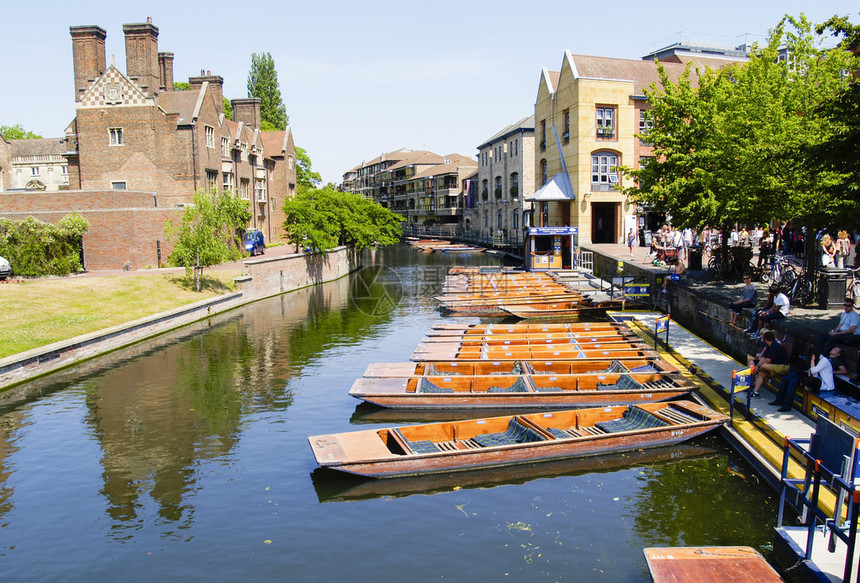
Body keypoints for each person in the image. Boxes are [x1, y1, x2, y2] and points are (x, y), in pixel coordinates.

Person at [769, 345, 847, 411]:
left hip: (824, 385)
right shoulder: (823, 359)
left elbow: (813, 371)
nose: (833, 349)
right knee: (787, 379)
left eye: (836, 349)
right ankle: (779, 400)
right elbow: (814, 374)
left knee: (793, 381)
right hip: (816, 379)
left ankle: (787, 405)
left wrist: (812, 361)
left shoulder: (825, 361)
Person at [747, 330, 790, 397]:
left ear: (766, 340)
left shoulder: (775, 347)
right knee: (761, 374)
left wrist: (757, 367)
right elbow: (764, 358)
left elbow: (767, 360)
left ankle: (755, 373)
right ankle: (755, 392)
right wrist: (756, 364)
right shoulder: (769, 346)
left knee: (763, 366)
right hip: (774, 365)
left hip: (782, 367)